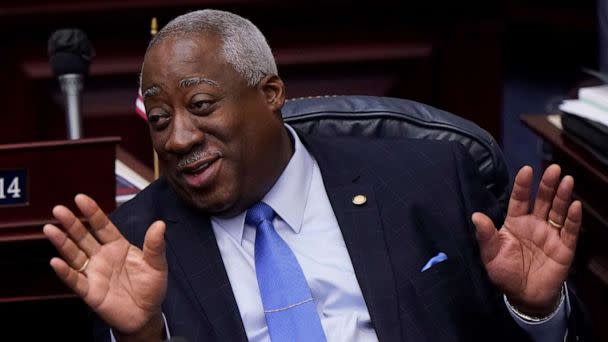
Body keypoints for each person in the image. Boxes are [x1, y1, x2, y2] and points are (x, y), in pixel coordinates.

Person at [43, 9, 587, 342]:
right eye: (160, 121)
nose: (178, 138)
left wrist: (534, 310)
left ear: (270, 94)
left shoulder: (427, 178)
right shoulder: (135, 243)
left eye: (202, 105)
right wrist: (140, 339)